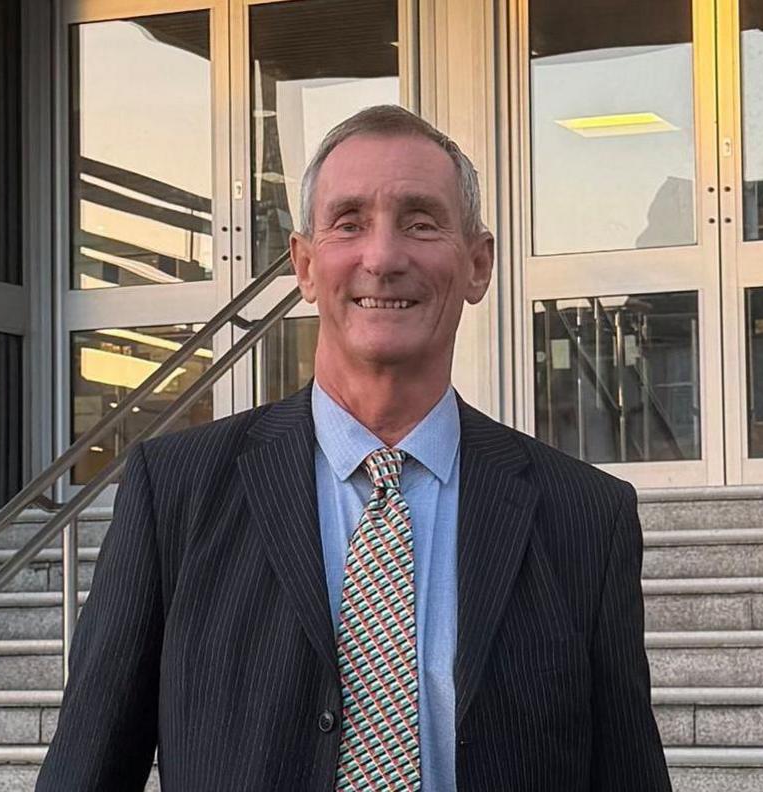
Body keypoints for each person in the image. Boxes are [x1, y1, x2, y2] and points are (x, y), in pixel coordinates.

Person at [36, 105, 670, 791]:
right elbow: (88, 770)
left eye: (421, 222)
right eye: (349, 223)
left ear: (479, 264)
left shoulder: (586, 516)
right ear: (306, 266)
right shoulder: (176, 493)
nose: (383, 257)